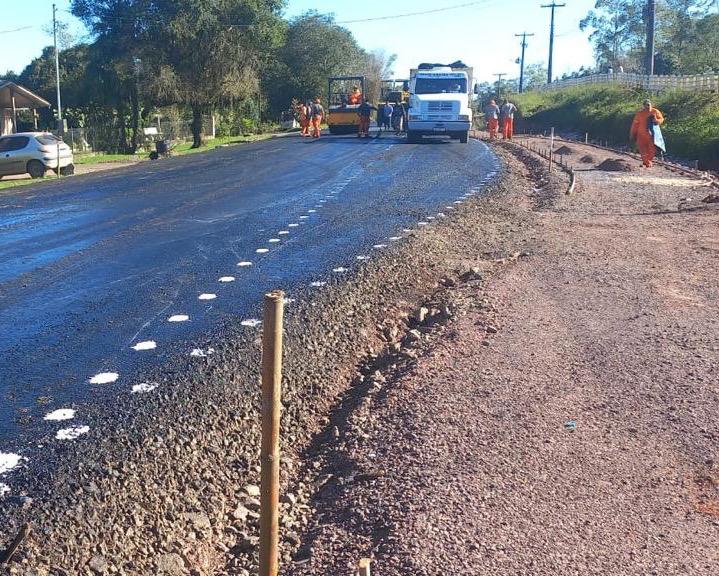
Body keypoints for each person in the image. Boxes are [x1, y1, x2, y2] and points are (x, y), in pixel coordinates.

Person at [630, 99, 665, 168]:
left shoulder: (655, 111)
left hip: (652, 135)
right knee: (642, 149)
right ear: (644, 106)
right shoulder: (639, 114)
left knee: (652, 150)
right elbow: (635, 124)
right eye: (646, 105)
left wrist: (656, 120)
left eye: (649, 104)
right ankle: (647, 162)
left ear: (651, 104)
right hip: (641, 135)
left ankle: (648, 161)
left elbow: (661, 119)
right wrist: (633, 133)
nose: (648, 106)